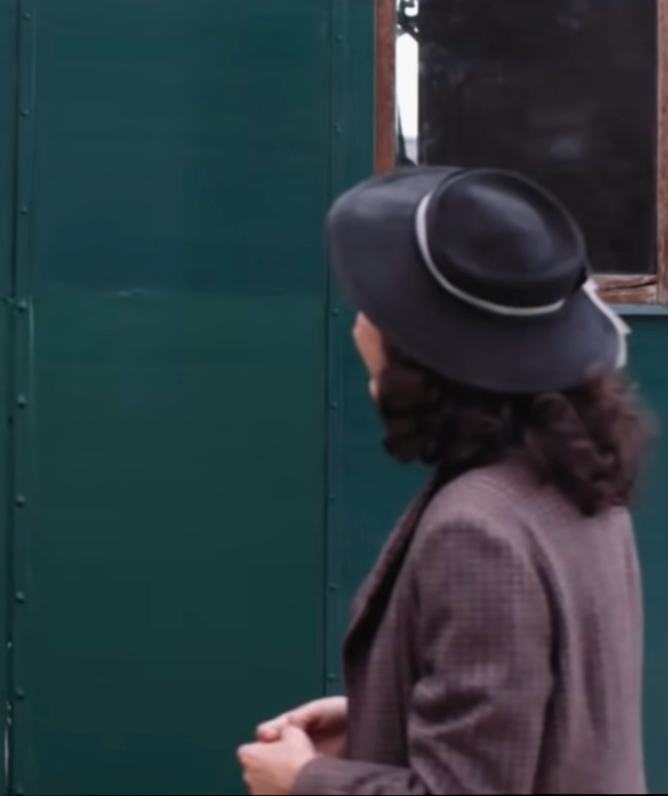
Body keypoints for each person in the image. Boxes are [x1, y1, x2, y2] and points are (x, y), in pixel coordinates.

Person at [237, 167, 654, 795]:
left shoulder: (477, 531)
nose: (359, 318)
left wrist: (305, 780)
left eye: (378, 300)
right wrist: (385, 715)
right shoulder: (577, 478)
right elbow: (556, 719)